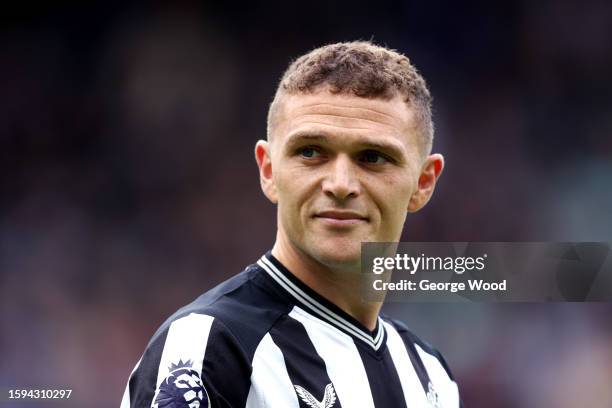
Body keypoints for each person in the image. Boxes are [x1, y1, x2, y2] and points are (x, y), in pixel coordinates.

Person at [121, 41, 461, 408]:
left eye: (373, 157)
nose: (341, 184)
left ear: (424, 183)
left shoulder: (431, 377)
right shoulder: (207, 350)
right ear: (268, 170)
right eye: (311, 152)